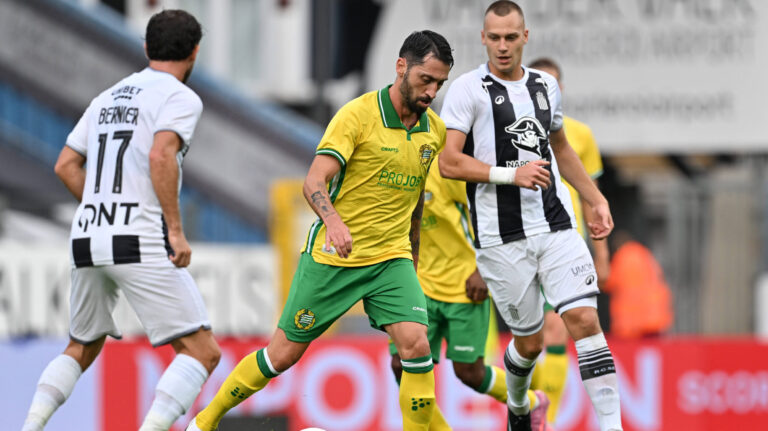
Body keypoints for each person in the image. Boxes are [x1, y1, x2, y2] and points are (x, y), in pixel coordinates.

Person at [186, 30, 453, 431]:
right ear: (402, 67)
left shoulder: (434, 130)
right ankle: (204, 422)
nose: (431, 91)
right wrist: (334, 221)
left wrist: (412, 258)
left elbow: (415, 201)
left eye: (439, 83)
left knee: (417, 345)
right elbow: (313, 181)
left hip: (391, 260)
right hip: (335, 259)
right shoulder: (357, 115)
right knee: (281, 356)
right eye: (425, 80)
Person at [21, 10, 220, 431]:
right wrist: (175, 230)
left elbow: (66, 165)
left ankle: (29, 426)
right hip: (137, 238)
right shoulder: (180, 97)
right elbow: (160, 154)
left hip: (88, 235)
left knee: (81, 345)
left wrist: (99, 204)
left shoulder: (108, 96)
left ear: (147, 48)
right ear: (195, 52)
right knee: (202, 351)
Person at [438, 2, 623, 431]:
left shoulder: (545, 87)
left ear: (526, 36)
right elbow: (449, 163)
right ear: (483, 38)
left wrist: (595, 198)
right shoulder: (468, 89)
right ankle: (519, 406)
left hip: (556, 225)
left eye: (511, 37)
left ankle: (612, 426)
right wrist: (511, 174)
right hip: (501, 238)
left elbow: (560, 147)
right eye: (494, 38)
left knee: (584, 320)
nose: (503, 46)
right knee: (530, 342)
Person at [388, 154, 549, 431]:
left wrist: (481, 268)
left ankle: (533, 402)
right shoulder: (394, 170)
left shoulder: (443, 169)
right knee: (401, 365)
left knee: (469, 372)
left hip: (464, 287)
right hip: (420, 287)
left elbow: (487, 212)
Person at [526, 57, 611, 425]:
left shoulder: (578, 135)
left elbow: (593, 195)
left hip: (565, 241)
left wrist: (602, 253)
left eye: (555, 83)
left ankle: (548, 418)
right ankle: (529, 407)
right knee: (531, 339)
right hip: (523, 240)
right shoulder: (512, 131)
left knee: (558, 328)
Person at [603, 230, 673, 339]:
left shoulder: (622, 256)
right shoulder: (644, 253)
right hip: (655, 316)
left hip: (632, 322)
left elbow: (607, 282)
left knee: (630, 353)